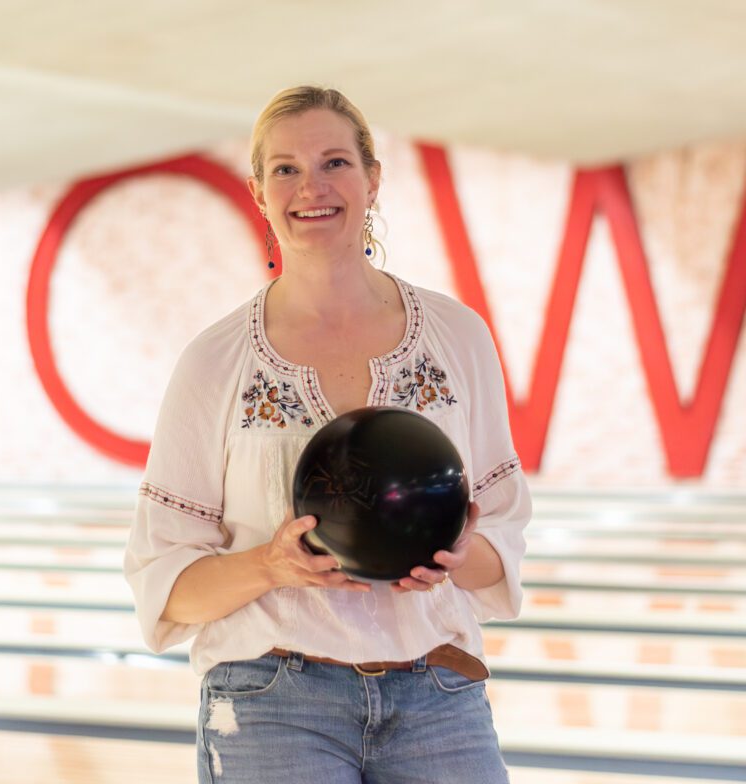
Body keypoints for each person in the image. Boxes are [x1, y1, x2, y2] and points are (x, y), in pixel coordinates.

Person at [124, 85, 530, 784]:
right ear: (258, 191)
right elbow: (168, 589)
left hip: (437, 694)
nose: (311, 186)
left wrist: (456, 553)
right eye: (285, 168)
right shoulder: (215, 362)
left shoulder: (458, 336)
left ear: (373, 178)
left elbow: (503, 546)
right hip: (272, 703)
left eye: (334, 162)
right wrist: (270, 566)